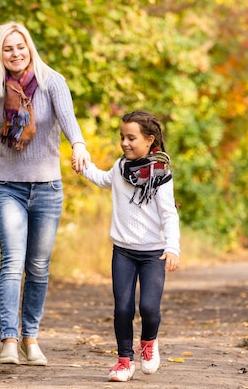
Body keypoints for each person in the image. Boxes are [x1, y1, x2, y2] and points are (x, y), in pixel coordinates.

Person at [0, 21, 90, 366]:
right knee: (12, 263)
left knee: (39, 267)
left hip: (47, 187)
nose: (15, 53)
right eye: (7, 48)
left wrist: (79, 145)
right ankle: (9, 342)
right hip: (7, 186)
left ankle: (31, 338)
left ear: (30, 47)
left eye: (20, 46)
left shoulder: (52, 82)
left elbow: (69, 119)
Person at [74, 110, 180, 382]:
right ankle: (124, 361)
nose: (124, 143)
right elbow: (102, 179)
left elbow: (169, 214)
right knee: (122, 308)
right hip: (122, 251)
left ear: (149, 140)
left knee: (148, 308)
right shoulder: (120, 168)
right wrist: (83, 164)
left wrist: (173, 248)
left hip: (153, 254)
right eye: (122, 137)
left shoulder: (160, 175)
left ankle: (148, 342)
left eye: (131, 138)